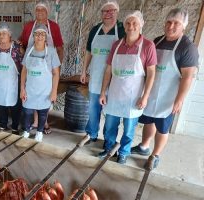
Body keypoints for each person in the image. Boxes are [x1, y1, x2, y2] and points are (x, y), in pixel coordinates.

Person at [131, 8, 199, 170]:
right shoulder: (157, 41)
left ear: (183, 26)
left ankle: (155, 155)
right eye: (169, 22)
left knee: (162, 126)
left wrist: (179, 100)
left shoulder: (187, 48)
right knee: (149, 120)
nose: (171, 26)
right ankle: (144, 146)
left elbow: (187, 77)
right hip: (151, 92)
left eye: (176, 23)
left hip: (169, 96)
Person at [98, 11, 156, 164]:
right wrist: (103, 92)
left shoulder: (148, 46)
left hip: (134, 96)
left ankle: (124, 152)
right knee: (110, 126)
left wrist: (145, 97)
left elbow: (151, 73)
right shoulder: (116, 45)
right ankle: (108, 148)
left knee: (129, 129)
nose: (131, 26)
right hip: (115, 93)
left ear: (141, 25)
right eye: (128, 23)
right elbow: (109, 70)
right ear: (124, 26)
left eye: (134, 23)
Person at [80, 1, 125, 145]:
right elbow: (88, 52)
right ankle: (91, 134)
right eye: (105, 11)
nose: (108, 14)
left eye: (111, 11)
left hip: (115, 79)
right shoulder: (95, 30)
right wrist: (83, 70)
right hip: (96, 75)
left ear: (117, 12)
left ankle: (109, 140)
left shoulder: (122, 29)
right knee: (93, 108)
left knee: (111, 112)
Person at [19, 0, 64, 134]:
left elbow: (60, 48)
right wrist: (25, 56)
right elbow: (22, 43)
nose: (39, 12)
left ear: (47, 12)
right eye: (37, 10)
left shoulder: (54, 27)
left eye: (42, 10)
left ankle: (42, 123)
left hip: (48, 66)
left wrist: (56, 65)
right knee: (32, 93)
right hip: (31, 64)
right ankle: (36, 122)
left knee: (44, 95)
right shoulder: (28, 27)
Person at [20, 24, 60, 142]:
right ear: (33, 36)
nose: (39, 36)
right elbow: (24, 71)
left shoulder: (52, 52)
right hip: (30, 89)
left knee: (43, 112)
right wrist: (22, 88)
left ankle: (39, 132)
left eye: (42, 34)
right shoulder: (29, 50)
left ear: (46, 37)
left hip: (45, 90)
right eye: (37, 34)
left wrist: (54, 91)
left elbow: (56, 73)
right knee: (27, 112)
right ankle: (26, 131)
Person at [0, 23, 23, 133]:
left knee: (15, 106)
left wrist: (23, 85)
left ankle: (15, 126)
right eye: (0, 34)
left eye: (5, 33)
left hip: (13, 83)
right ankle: (3, 125)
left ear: (10, 35)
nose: (2, 36)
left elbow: (24, 68)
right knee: (0, 103)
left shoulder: (17, 49)